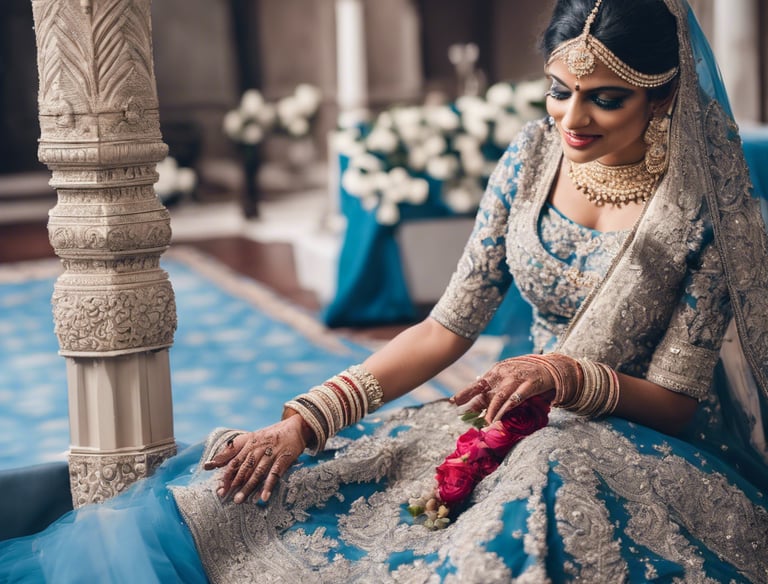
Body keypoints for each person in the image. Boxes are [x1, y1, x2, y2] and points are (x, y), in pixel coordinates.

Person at [2, 0, 767, 581]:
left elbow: (676, 404)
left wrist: (567, 375)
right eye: (559, 90)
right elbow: (446, 328)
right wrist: (305, 422)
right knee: (265, 500)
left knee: (522, 520)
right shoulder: (532, 158)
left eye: (606, 98)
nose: (572, 116)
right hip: (502, 414)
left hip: (622, 439)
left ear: (662, 98)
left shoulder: (699, 212)